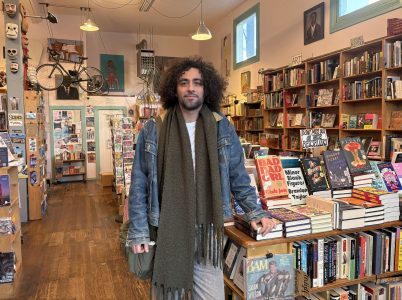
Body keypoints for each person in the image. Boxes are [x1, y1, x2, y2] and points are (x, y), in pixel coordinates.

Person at [127, 57, 276, 299]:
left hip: (207, 235)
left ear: (207, 89)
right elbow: (139, 185)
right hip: (167, 231)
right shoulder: (154, 129)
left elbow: (238, 177)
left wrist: (255, 212)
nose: (191, 88)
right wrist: (139, 231)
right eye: (183, 82)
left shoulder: (222, 127)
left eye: (197, 82)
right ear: (174, 89)